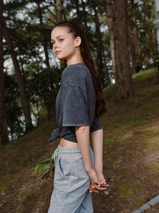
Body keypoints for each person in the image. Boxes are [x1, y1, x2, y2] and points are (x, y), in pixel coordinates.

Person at [48, 21, 109, 213]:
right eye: (52, 42)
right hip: (83, 157)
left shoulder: (72, 74)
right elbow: (96, 126)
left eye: (60, 39)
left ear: (77, 41)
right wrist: (95, 168)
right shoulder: (86, 72)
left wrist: (90, 170)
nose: (55, 46)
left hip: (73, 161)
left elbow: (83, 126)